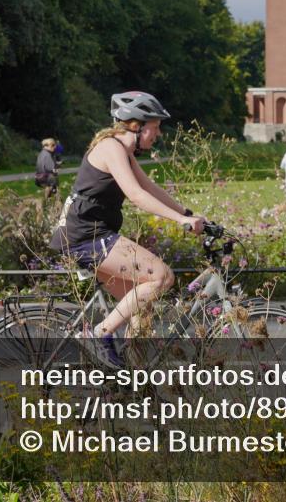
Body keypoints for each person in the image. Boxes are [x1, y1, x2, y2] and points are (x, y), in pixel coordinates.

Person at [49, 91, 206, 366]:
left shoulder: (124, 151)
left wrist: (188, 214)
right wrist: (180, 221)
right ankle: (98, 334)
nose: (157, 134)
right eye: (154, 127)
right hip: (85, 237)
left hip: (96, 235)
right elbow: (136, 195)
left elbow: (150, 188)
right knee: (161, 277)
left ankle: (132, 380)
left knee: (141, 310)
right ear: (136, 125)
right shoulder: (111, 148)